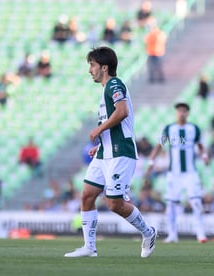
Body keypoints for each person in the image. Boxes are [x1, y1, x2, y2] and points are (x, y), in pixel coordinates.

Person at [64, 46, 157, 258]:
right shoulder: (105, 90)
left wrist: (99, 129)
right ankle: (89, 247)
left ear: (104, 67)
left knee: (114, 204)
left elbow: (122, 112)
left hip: (120, 152)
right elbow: (115, 119)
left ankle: (148, 232)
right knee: (87, 195)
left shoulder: (115, 84)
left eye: (92, 65)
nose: (90, 70)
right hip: (105, 151)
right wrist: (101, 142)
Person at [145, 102, 209, 243]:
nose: (182, 113)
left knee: (196, 202)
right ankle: (172, 234)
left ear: (188, 113)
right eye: (180, 111)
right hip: (174, 174)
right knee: (171, 205)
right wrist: (151, 162)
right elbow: (159, 146)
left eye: (185, 111)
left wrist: (204, 156)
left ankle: (200, 234)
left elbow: (201, 146)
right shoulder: (169, 129)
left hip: (190, 173)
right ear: (176, 112)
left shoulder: (194, 129)